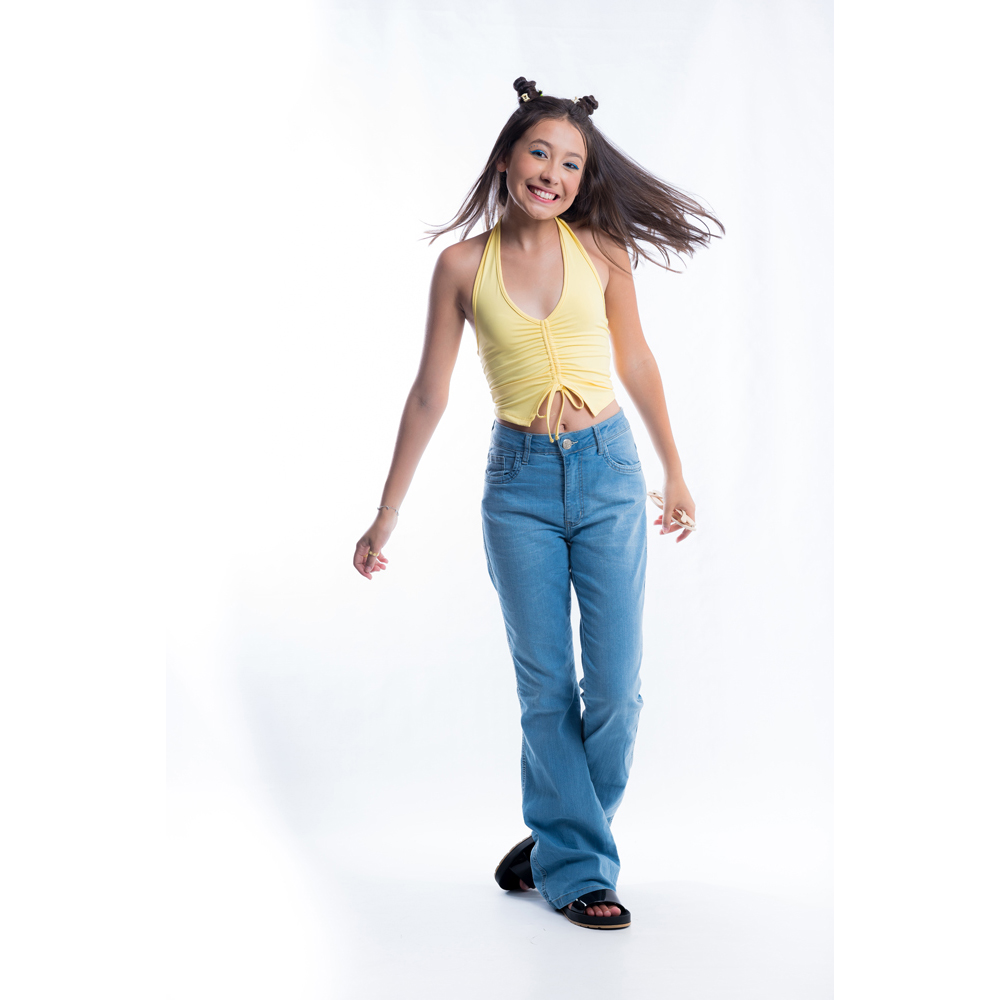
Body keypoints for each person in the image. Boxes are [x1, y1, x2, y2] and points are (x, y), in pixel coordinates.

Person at [353, 77, 721, 930]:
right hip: (517, 486)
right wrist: (386, 513)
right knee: (546, 688)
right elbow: (428, 394)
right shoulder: (461, 266)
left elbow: (637, 360)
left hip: (609, 472)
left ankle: (560, 834)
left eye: (570, 163)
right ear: (507, 159)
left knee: (617, 690)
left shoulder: (601, 251)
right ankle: (580, 868)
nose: (552, 172)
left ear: (583, 179)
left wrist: (675, 469)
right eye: (538, 153)